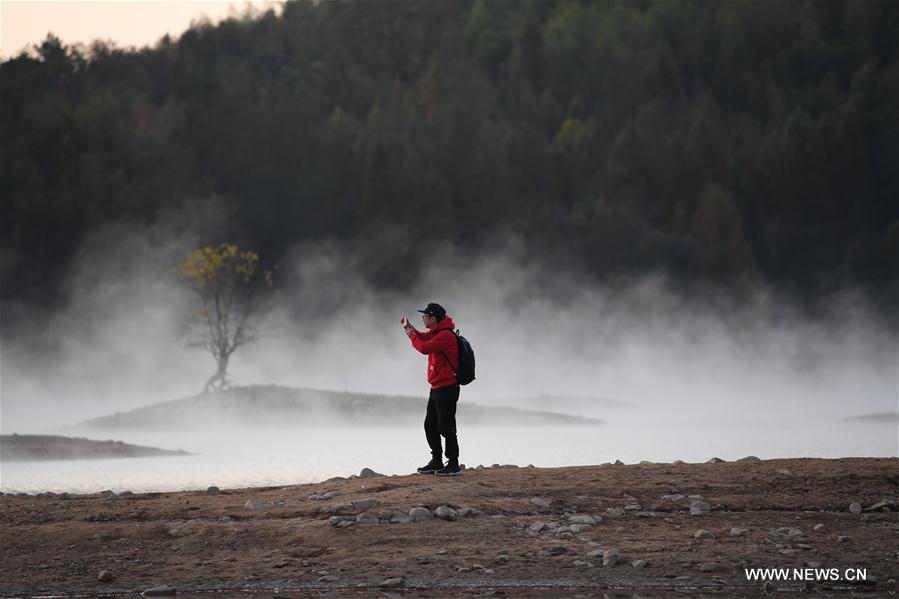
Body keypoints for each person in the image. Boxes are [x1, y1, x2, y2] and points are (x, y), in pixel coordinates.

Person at [401, 302, 461, 476]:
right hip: (436, 387)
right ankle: (436, 460)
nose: (423, 318)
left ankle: (453, 463)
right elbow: (423, 338)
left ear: (433, 318)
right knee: (430, 426)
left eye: (426, 316)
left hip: (448, 387)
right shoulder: (436, 332)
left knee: (446, 427)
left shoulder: (445, 336)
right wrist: (410, 329)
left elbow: (424, 348)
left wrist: (411, 334)